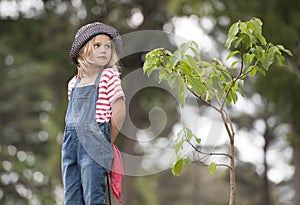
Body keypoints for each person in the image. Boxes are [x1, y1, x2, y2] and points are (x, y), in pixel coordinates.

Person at [62, 22, 125, 205]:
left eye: (107, 46)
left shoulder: (109, 76)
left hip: (95, 142)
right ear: (82, 51)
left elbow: (119, 112)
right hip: (70, 145)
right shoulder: (72, 83)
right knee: (72, 196)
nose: (104, 50)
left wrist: (106, 141)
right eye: (97, 45)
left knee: (93, 196)